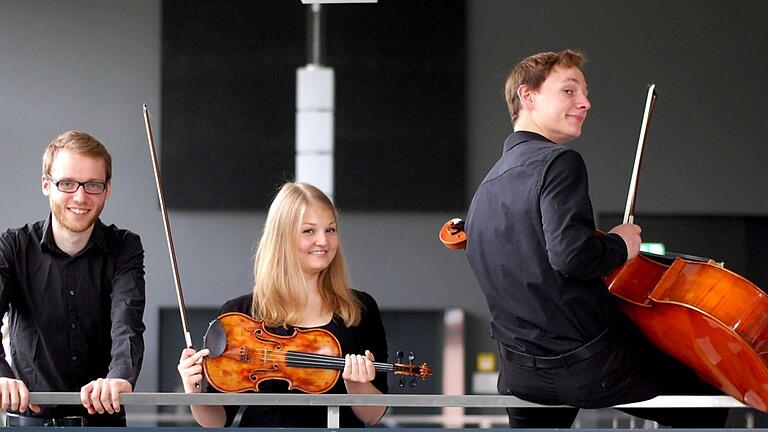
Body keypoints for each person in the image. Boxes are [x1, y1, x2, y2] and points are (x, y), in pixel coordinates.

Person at [464, 50, 727, 428]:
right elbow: (571, 256)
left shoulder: (487, 187)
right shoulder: (558, 162)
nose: (584, 102)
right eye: (569, 91)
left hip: (521, 375)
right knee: (705, 398)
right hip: (587, 365)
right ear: (528, 96)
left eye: (584, 93)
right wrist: (621, 243)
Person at [177, 182, 388, 428]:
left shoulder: (360, 308)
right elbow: (217, 421)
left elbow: (372, 416)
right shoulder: (240, 315)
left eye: (331, 229)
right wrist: (194, 393)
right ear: (283, 237)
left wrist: (357, 384)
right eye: (309, 231)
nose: (323, 240)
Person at [0, 131, 146, 427]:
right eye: (67, 183)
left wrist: (119, 376)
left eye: (93, 185)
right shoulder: (12, 246)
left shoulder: (125, 247)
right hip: (29, 423)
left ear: (108, 189)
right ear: (46, 185)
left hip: (103, 421)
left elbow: (127, 321)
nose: (80, 197)